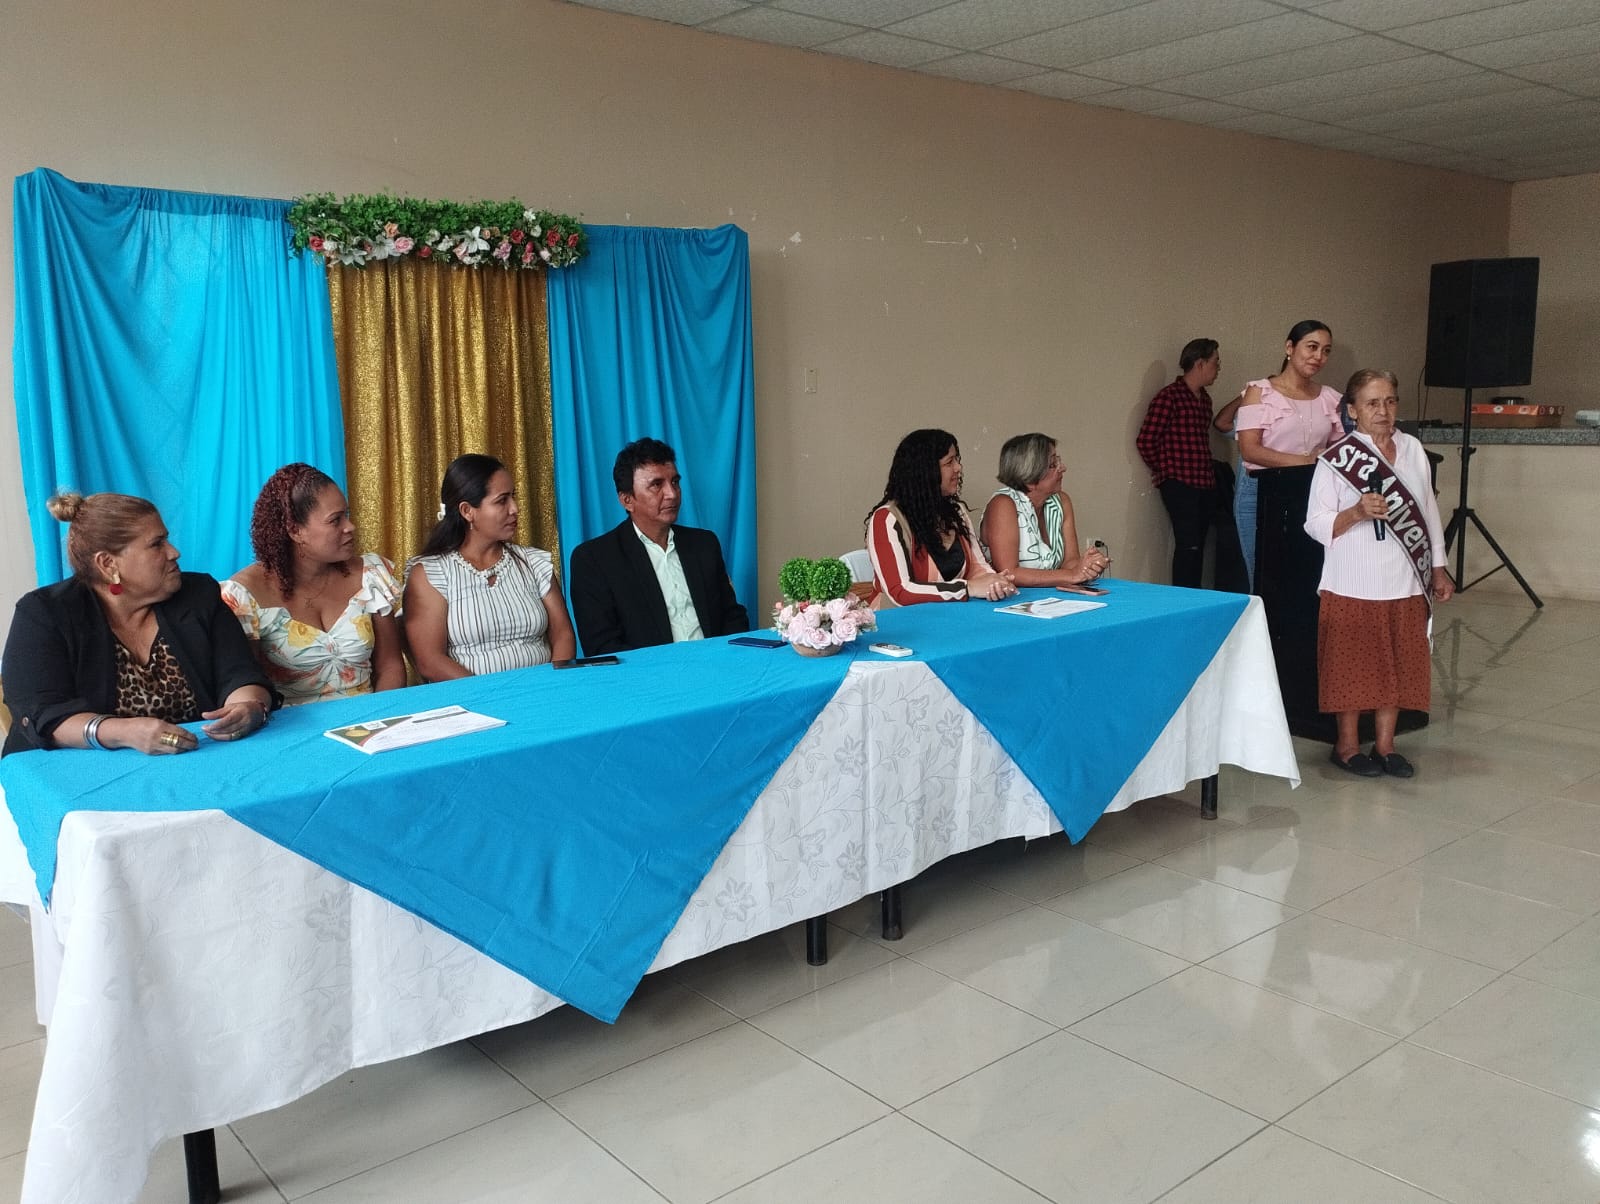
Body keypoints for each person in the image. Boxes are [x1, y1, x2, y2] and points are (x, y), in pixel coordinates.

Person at [2, 492, 274, 757]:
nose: (174, 552)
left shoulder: (198, 595)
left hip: (189, 760)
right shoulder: (45, 614)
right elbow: (42, 713)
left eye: (167, 539)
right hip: (69, 770)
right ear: (108, 563)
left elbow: (240, 673)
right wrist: (123, 732)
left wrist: (248, 706)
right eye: (157, 544)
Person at [1306, 370, 1452, 778]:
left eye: (1390, 401)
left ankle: (1386, 747)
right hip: (1352, 581)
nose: (1383, 411)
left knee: (1398, 664)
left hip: (1405, 580)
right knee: (1353, 666)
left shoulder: (1412, 448)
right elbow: (1314, 522)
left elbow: (1428, 511)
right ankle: (1347, 747)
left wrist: (1438, 568)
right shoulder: (1338, 458)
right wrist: (1355, 513)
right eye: (1372, 403)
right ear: (1352, 410)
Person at [222, 463, 405, 705]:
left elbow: (390, 666)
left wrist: (378, 716)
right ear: (295, 530)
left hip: (371, 717)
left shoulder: (370, 574)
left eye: (347, 515)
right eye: (335, 520)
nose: (350, 527)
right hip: (290, 725)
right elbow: (247, 687)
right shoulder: (243, 594)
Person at [568, 437, 749, 654]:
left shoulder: (704, 544)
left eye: (675, 482)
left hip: (717, 664)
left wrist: (726, 659)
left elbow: (733, 618)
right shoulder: (594, 560)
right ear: (627, 500)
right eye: (656, 485)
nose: (672, 494)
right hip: (649, 673)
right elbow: (603, 647)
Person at [404, 454, 576, 678]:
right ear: (467, 511)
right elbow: (430, 660)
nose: (514, 509)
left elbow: (563, 634)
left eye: (513, 497)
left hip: (542, 692)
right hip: (472, 697)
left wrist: (552, 685)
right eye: (502, 501)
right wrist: (489, 694)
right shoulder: (431, 573)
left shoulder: (534, 563)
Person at [1231, 321, 1344, 587]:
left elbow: (1340, 449)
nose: (1319, 356)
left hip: (1312, 493)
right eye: (1312, 347)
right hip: (1262, 492)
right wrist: (1306, 461)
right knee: (1264, 578)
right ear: (1290, 348)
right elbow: (1249, 449)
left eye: (1326, 351)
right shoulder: (1259, 392)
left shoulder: (1330, 397)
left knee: (1306, 576)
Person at [866, 429, 1018, 606]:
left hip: (952, 615)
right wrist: (967, 588)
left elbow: (978, 568)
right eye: (949, 462)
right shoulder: (887, 519)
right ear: (925, 471)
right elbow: (900, 591)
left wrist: (994, 583)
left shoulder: (956, 512)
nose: (958, 468)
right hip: (899, 619)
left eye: (957, 460)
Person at [1136, 338, 1222, 587]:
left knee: (1198, 545)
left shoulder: (1204, 400)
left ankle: (1194, 594)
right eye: (1215, 362)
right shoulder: (1169, 397)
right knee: (1188, 544)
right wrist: (1166, 471)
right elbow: (1146, 440)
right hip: (1179, 482)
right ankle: (1184, 595)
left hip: (1203, 481)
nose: (1218, 369)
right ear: (1200, 363)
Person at [979, 432, 1108, 587]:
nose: (1063, 468)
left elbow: (1070, 562)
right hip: (1012, 598)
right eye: (1053, 465)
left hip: (1051, 597)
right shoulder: (1003, 504)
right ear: (1029, 476)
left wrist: (1088, 567)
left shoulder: (1062, 501)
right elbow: (1009, 573)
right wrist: (1073, 575)